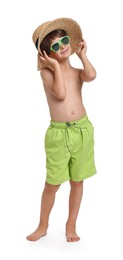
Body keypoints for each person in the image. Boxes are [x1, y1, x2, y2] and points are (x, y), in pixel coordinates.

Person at [26, 18, 97, 243]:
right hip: (58, 134)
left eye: (64, 41)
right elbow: (60, 94)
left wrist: (82, 55)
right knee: (53, 183)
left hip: (82, 131)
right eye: (55, 46)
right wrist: (55, 66)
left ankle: (71, 224)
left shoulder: (77, 71)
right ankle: (43, 225)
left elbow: (92, 76)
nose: (63, 46)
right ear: (46, 54)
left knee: (78, 180)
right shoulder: (47, 74)